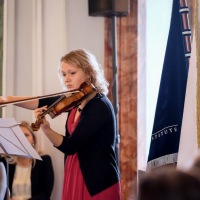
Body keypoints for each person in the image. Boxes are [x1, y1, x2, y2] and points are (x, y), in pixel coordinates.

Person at [0, 49, 121, 200]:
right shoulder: (77, 99)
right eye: (64, 74)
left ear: (89, 72)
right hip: (75, 171)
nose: (66, 79)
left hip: (96, 180)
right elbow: (41, 101)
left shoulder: (98, 105)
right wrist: (7, 99)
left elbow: (71, 146)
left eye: (72, 73)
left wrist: (46, 129)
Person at [0, 121, 54, 200]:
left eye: (26, 135)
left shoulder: (44, 160)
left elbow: (45, 194)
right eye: (18, 136)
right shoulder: (6, 161)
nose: (22, 139)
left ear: (33, 140)